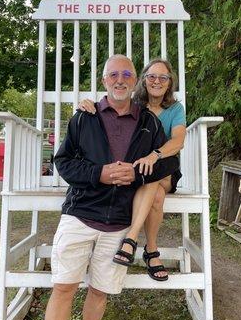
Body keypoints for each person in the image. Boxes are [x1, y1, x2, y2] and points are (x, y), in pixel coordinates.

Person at [36, 54, 179, 320]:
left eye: (126, 73)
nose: (120, 79)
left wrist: (136, 174)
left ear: (134, 81)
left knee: (100, 290)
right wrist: (99, 174)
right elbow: (65, 162)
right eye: (113, 74)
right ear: (103, 80)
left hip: (119, 222)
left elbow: (167, 165)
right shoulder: (84, 118)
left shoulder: (149, 122)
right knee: (63, 287)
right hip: (80, 213)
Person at [78, 58, 186, 281]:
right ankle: (151, 253)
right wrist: (88, 103)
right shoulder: (135, 103)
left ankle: (133, 239)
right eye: (152, 76)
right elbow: (110, 105)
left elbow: (178, 141)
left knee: (154, 179)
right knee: (153, 189)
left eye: (163, 77)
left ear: (169, 83)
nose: (157, 81)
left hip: (163, 167)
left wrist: (154, 155)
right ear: (143, 80)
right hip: (136, 169)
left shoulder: (175, 108)